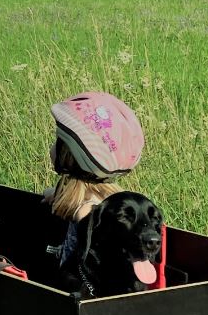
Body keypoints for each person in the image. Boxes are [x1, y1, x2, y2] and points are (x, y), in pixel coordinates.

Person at [44, 92, 145, 268]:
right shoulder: (117, 201)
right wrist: (54, 194)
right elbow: (59, 198)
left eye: (58, 141)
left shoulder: (85, 210)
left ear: (68, 155)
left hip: (76, 288)